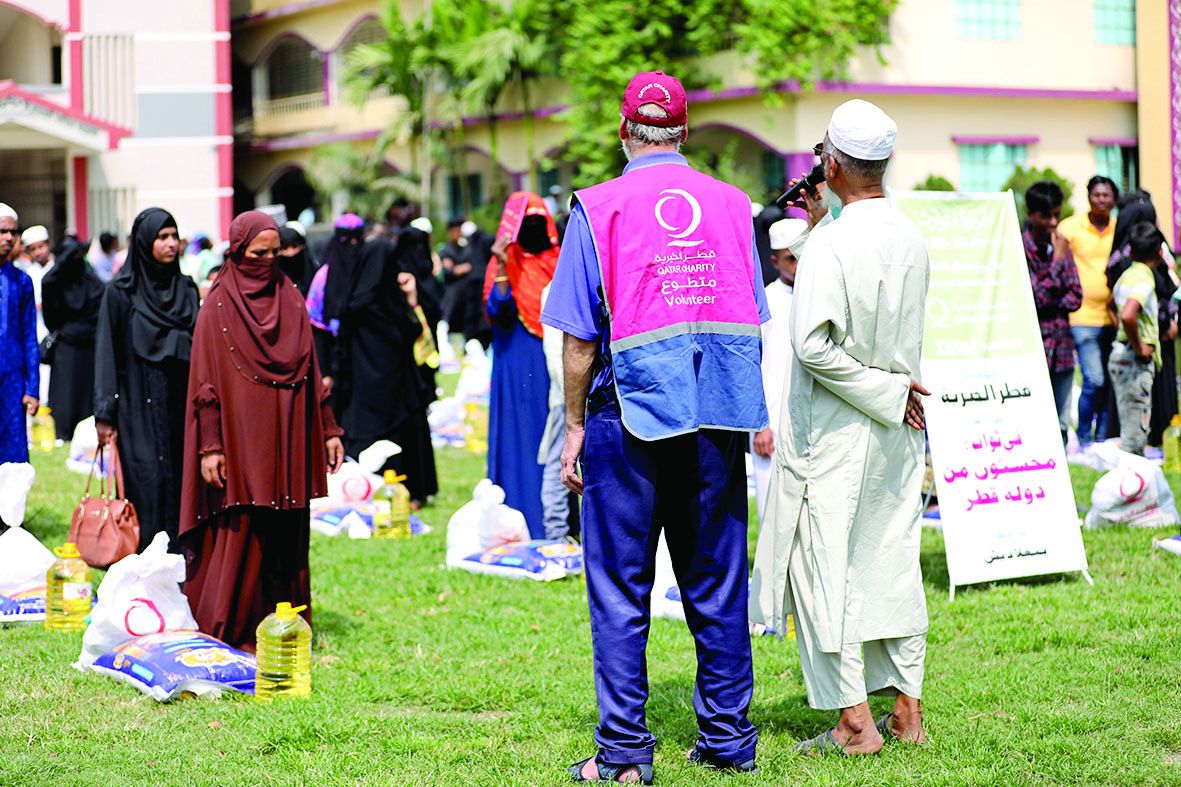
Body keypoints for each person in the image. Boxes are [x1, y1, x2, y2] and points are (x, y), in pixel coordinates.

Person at [543, 70, 768, 782]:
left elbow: (579, 340)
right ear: (684, 131)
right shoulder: (732, 206)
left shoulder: (597, 206)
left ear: (622, 131)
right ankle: (729, 743)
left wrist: (573, 428)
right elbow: (749, 315)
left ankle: (623, 757)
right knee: (717, 587)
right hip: (714, 422)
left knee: (619, 592)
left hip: (625, 425)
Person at [749, 99, 931, 755]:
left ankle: (855, 723)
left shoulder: (826, 243)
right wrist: (891, 392)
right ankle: (905, 710)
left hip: (835, 432)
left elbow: (813, 348)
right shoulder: (909, 236)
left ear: (830, 162)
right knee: (889, 561)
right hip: (895, 427)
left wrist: (881, 391)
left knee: (821, 568)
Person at [179, 211, 343, 650]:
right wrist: (210, 446)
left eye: (275, 253)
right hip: (239, 437)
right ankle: (233, 625)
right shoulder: (218, 304)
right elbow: (205, 383)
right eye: (258, 254)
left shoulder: (289, 296)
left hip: (287, 430)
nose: (268, 261)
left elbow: (311, 366)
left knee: (286, 523)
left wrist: (328, 429)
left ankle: (284, 623)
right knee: (243, 521)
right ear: (237, 252)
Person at [94, 207, 197, 552]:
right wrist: (105, 413)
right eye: (162, 237)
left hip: (181, 402)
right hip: (138, 401)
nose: (171, 244)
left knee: (183, 479)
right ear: (143, 241)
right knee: (148, 478)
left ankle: (182, 562)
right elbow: (107, 353)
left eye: (174, 236)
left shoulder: (186, 289)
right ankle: (146, 557)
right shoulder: (121, 293)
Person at [327, 225, 438, 504]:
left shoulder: (353, 305)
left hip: (363, 394)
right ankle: (410, 492)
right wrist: (411, 301)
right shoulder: (390, 306)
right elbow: (414, 334)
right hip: (396, 390)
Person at [485, 192, 558, 538]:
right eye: (526, 222)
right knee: (522, 439)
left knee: (556, 438)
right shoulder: (505, 262)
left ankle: (556, 522)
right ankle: (521, 521)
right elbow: (497, 311)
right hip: (517, 361)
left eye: (538, 220)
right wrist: (501, 265)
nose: (534, 228)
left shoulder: (559, 260)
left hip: (555, 364)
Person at [1107, 194, 1179, 446]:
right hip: (1140, 348)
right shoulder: (1142, 273)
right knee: (1136, 420)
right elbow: (1128, 313)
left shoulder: (1131, 269)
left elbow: (1113, 305)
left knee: (1137, 411)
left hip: (1140, 343)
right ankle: (1134, 465)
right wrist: (1136, 341)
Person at [750, 217, 807, 523]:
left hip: (815, 421)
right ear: (774, 260)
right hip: (771, 424)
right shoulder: (764, 302)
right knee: (774, 515)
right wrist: (760, 425)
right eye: (790, 258)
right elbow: (753, 366)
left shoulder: (822, 295)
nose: (799, 264)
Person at [1059, 176, 1118, 447]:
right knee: (1094, 379)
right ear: (1088, 196)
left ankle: (1102, 437)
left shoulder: (1120, 227)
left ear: (1113, 199)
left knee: (1109, 383)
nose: (1101, 200)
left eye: (1106, 195)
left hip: (1114, 318)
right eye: (1097, 195)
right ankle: (1083, 437)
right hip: (1081, 317)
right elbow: (1057, 263)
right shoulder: (1069, 228)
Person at [1022, 181, 1083, 446]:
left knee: (1060, 420)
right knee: (1033, 415)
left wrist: (1050, 292)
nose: (1053, 222)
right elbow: (1034, 298)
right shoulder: (1020, 248)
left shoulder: (1061, 246)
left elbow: (1076, 296)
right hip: (1034, 347)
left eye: (1057, 214)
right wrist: (1057, 262)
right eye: (1046, 215)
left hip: (1063, 348)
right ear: (1031, 214)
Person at [40, 238, 104, 441]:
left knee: (83, 394)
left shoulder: (91, 283)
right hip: (70, 347)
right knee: (66, 395)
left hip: (83, 345)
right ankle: (65, 431)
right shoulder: (60, 283)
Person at [537, 283, 578, 540]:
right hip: (567, 397)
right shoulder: (556, 288)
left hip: (595, 394)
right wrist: (572, 397)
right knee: (558, 466)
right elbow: (555, 352)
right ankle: (556, 534)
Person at [0, 203, 39, 470]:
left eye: (13, 232)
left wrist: (32, 388)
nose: (9, 238)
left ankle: (9, 513)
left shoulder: (22, 281)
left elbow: (29, 337)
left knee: (12, 458)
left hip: (11, 383)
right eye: (2, 231)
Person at [277, 225, 317, 296]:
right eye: (284, 248)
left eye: (294, 246)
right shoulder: (273, 277)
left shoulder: (313, 272)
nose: (290, 253)